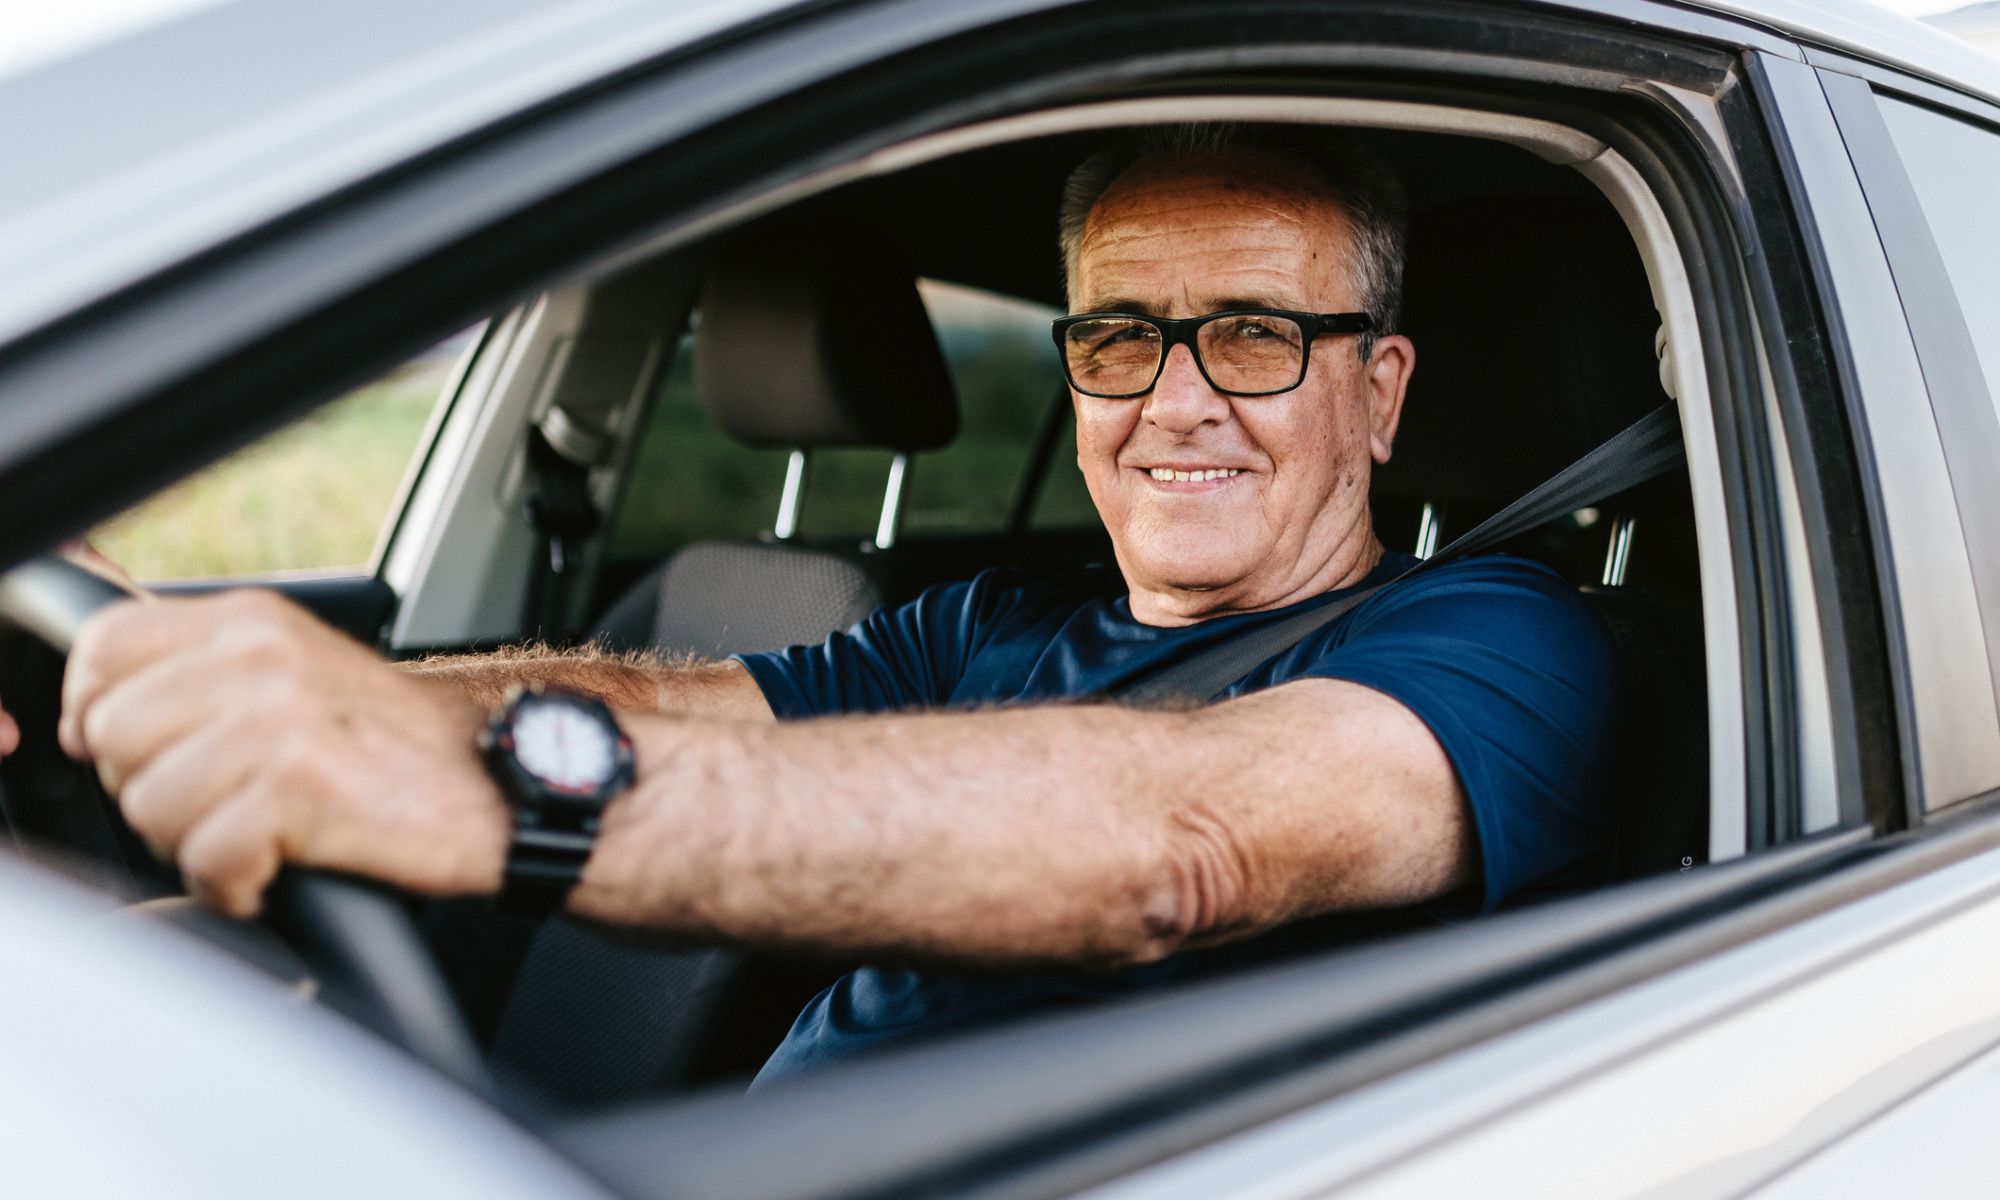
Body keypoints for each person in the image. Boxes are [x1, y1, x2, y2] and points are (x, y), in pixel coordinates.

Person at [0, 124, 1620, 1081]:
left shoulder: (1500, 640)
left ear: (1383, 391)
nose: (1176, 399)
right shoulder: (992, 625)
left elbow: (1178, 841)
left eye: (1256, 334)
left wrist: (491, 795)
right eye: (1120, 336)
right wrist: (196, 690)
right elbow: (675, 711)